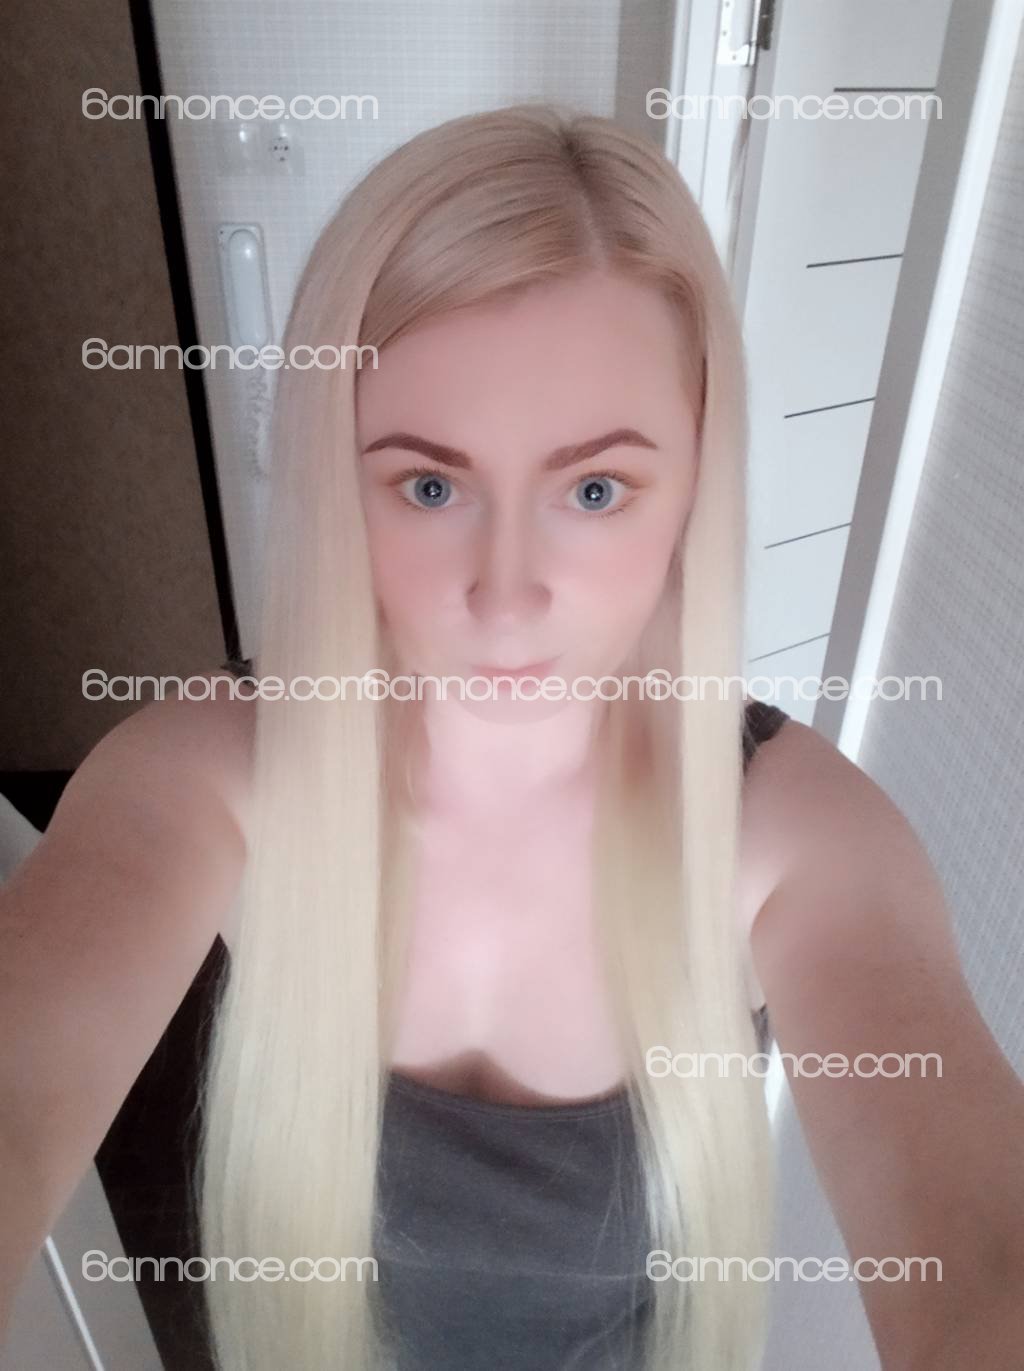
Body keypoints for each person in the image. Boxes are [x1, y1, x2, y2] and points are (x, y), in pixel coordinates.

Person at [2, 103, 1022, 1371]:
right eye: (429, 485)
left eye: (593, 489)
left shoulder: (792, 842)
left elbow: (986, 1260)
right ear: (338, 480)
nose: (504, 597)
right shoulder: (212, 777)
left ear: (692, 487)